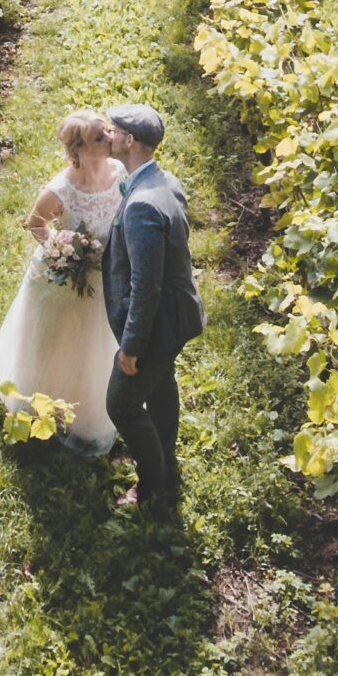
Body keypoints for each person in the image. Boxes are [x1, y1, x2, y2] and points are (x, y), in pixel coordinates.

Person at [0, 110, 125, 455]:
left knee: (95, 345)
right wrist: (65, 248)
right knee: (60, 342)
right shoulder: (61, 189)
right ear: (78, 150)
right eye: (100, 137)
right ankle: (46, 406)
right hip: (69, 279)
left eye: (108, 131)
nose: (111, 138)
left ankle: (89, 409)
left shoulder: (120, 171)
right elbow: (36, 225)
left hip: (105, 276)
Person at [99, 102, 204, 514]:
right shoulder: (164, 180)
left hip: (157, 322)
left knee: (121, 405)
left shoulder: (143, 204)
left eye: (113, 131)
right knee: (161, 386)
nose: (108, 135)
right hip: (178, 314)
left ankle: (152, 486)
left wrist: (131, 346)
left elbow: (146, 285)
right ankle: (166, 459)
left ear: (130, 141)